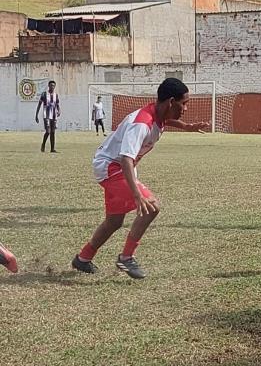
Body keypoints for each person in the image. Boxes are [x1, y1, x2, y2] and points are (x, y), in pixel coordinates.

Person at [71, 78, 209, 279]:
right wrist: (137, 195)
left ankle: (83, 259)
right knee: (151, 206)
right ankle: (126, 258)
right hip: (112, 167)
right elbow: (126, 158)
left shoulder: (157, 113)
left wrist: (187, 126)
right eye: (184, 103)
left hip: (115, 165)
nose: (186, 108)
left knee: (114, 221)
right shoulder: (142, 124)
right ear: (171, 102)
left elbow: (165, 121)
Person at [35, 80, 61, 153]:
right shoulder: (44, 94)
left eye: (53, 85)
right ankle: (43, 144)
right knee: (48, 131)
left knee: (53, 132)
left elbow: (57, 105)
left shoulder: (56, 95)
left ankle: (52, 149)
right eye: (51, 85)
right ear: (48, 86)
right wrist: (36, 115)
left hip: (54, 115)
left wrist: (59, 111)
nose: (52, 87)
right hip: (46, 115)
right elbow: (39, 105)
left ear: (55, 86)